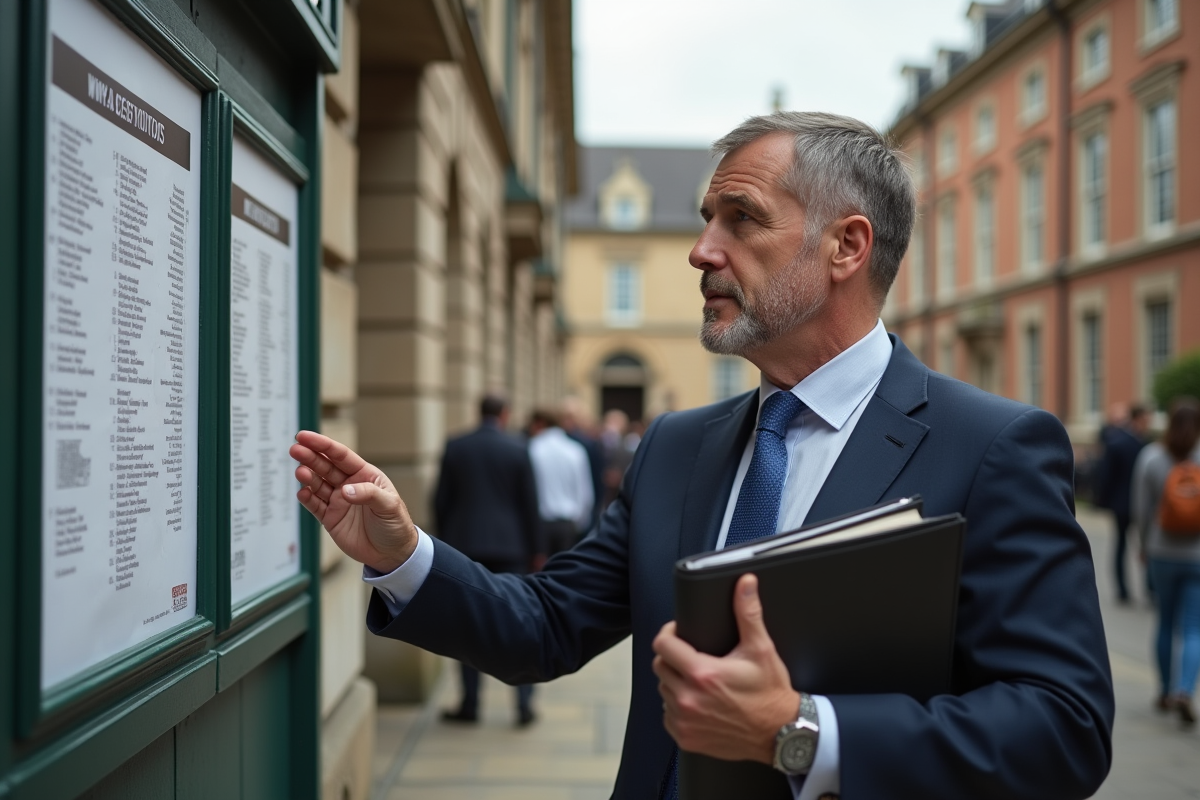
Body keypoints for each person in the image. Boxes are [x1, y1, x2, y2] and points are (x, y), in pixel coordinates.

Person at [291, 112, 1113, 799]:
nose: (700, 251)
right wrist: (403, 558)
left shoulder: (994, 448)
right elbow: (543, 627)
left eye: (741, 218)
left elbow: (1063, 726)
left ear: (846, 247)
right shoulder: (678, 446)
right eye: (704, 220)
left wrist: (802, 733)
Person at [430, 394, 543, 727]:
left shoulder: (456, 445)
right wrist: (537, 550)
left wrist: (445, 545)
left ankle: (470, 704)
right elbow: (530, 505)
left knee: (467, 627)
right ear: (505, 414)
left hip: (465, 546)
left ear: (478, 412)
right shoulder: (518, 448)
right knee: (520, 622)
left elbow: (440, 501)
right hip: (511, 548)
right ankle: (523, 704)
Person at [1132, 397, 1200, 727]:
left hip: (1162, 552)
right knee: (1193, 628)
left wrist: (1144, 545)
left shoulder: (1151, 457)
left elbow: (1141, 510)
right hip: (1198, 556)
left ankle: (1163, 690)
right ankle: (1185, 691)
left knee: (1164, 622)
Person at [1096, 403, 1150, 602]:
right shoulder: (1126, 443)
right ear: (1137, 419)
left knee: (1133, 545)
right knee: (1124, 545)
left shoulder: (1138, 443)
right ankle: (1127, 589)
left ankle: (1134, 589)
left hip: (1128, 503)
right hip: (1127, 503)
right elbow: (1106, 476)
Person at [527, 408, 594, 555]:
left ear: (539, 423)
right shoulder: (575, 450)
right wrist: (581, 522)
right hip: (567, 523)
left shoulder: (531, 448)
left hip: (538, 522)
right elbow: (584, 491)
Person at [558, 396, 605, 533]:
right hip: (578, 511)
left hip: (579, 510)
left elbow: (596, 478)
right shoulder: (587, 444)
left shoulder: (587, 444)